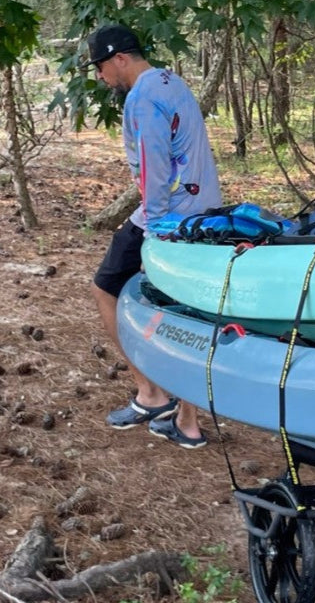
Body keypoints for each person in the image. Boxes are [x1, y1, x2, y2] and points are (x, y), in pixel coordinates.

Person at [82, 23, 222, 449]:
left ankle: (151, 393)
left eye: (101, 68)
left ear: (120, 58)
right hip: (205, 211)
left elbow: (154, 168)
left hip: (168, 216)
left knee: (105, 287)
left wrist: (154, 234)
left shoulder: (141, 99)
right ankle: (187, 421)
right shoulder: (172, 80)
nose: (102, 77)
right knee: (187, 310)